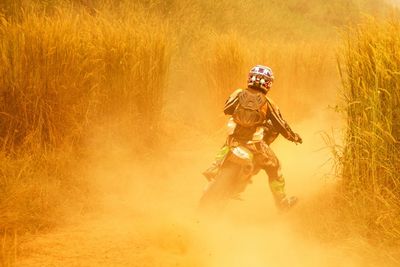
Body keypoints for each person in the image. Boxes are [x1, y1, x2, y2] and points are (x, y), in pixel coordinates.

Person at [203, 65, 302, 210]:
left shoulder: (238, 93)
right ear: (268, 83)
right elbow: (281, 125)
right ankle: (282, 203)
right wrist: (293, 137)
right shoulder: (268, 103)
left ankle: (214, 166)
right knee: (275, 167)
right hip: (254, 145)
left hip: (233, 140)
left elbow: (227, 109)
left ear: (250, 78)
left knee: (226, 147)